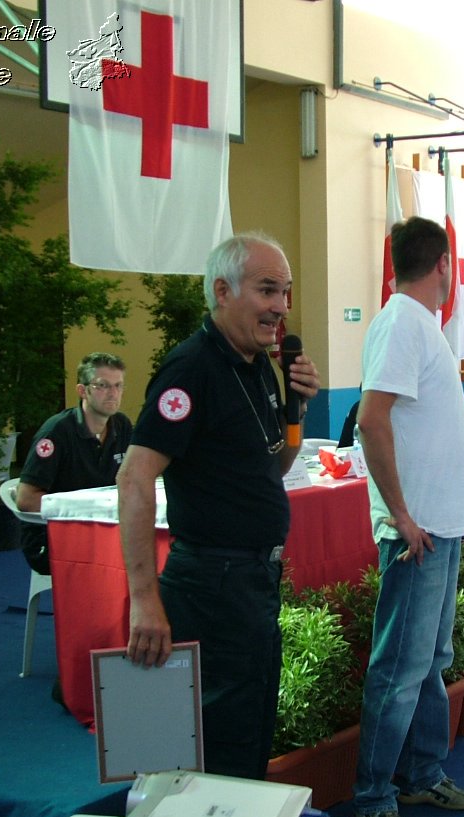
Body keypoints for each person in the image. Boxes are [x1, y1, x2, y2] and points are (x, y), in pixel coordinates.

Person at [116, 233, 319, 781]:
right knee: (220, 735)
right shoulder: (191, 368)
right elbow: (134, 480)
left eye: (286, 292)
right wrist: (143, 600)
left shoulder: (253, 364)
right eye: (267, 290)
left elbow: (270, 466)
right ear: (223, 291)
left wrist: (297, 409)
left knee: (249, 723)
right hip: (213, 580)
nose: (280, 306)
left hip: (251, 577)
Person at [352, 216, 464, 817]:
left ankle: (423, 776)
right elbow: (371, 421)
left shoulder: (421, 325)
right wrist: (401, 516)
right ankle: (374, 797)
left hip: (440, 524)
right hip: (418, 529)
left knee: (429, 658)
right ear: (445, 266)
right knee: (400, 666)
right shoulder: (402, 320)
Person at [16, 352, 133, 574]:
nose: (113, 394)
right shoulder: (56, 432)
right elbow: (26, 499)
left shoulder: (122, 426)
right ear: (82, 391)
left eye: (118, 386)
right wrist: (90, 510)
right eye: (103, 386)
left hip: (103, 529)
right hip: (53, 536)